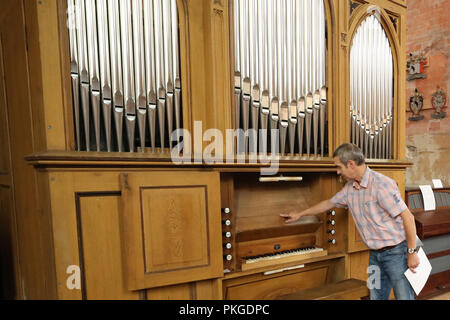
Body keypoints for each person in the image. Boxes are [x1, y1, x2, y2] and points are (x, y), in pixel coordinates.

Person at [280, 143, 420, 300]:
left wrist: (412, 253)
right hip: (374, 255)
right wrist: (300, 214)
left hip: (396, 253)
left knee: (404, 297)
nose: (338, 172)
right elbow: (329, 203)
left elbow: (408, 217)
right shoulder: (349, 188)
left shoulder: (382, 184)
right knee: (376, 296)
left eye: (339, 167)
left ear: (351, 164)